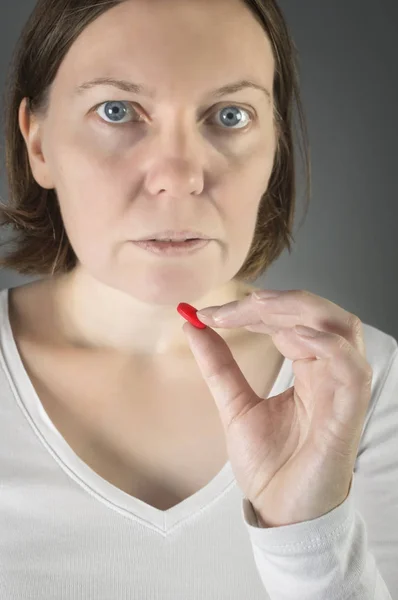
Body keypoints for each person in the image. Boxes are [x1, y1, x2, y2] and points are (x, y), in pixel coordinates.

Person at [0, 0, 396, 599]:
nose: (181, 175)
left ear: (275, 148)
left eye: (229, 115)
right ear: (39, 145)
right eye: (117, 111)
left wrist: (308, 538)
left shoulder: (367, 382)